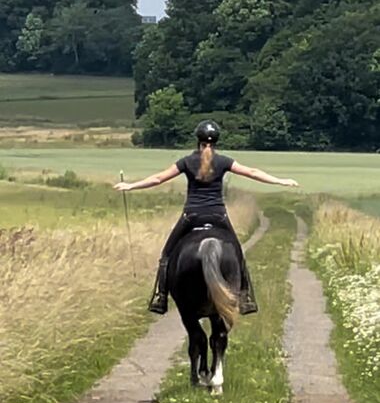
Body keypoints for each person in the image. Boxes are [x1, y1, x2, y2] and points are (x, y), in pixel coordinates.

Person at [114, 120, 299, 315]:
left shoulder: (186, 161)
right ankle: (246, 297)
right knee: (238, 254)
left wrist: (131, 185)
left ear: (198, 141)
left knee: (167, 255)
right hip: (218, 215)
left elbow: (158, 178)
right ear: (216, 142)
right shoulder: (223, 161)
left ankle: (160, 296)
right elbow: (252, 172)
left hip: (191, 216)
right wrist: (280, 181)